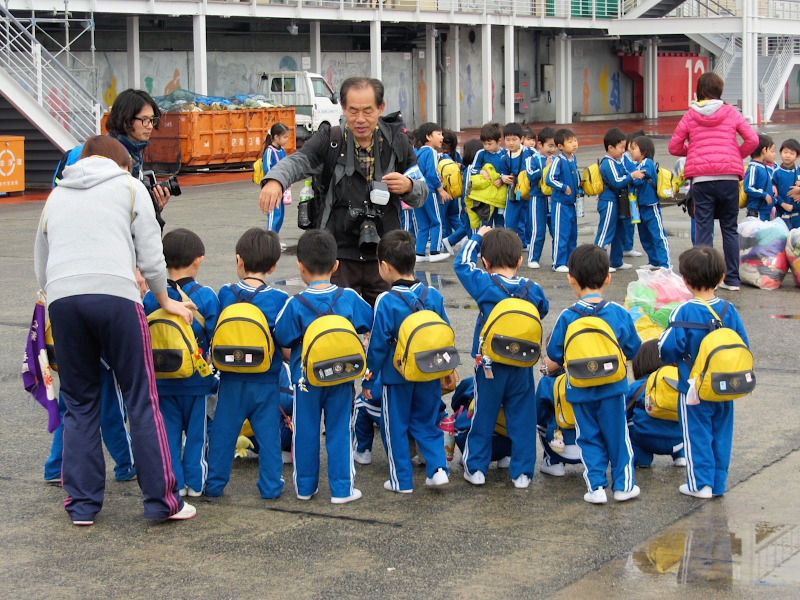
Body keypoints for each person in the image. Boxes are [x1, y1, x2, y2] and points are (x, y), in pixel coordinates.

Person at [34, 135, 195, 524]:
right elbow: (152, 255)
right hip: (116, 296)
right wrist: (165, 298)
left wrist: (56, 295)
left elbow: (42, 258)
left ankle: (83, 505)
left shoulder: (57, 195)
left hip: (63, 298)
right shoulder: (129, 185)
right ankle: (161, 501)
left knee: (79, 402)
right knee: (141, 397)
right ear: (122, 164)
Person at [258, 77, 427, 306]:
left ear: (381, 108)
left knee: (390, 327)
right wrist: (275, 181)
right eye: (353, 110)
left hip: (387, 258)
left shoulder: (398, 142)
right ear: (343, 108)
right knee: (337, 329)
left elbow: (422, 192)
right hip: (337, 257)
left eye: (368, 111)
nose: (360, 119)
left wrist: (409, 186)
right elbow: (297, 161)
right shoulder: (331, 139)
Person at [274, 229, 373, 504]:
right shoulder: (348, 297)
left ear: (300, 267)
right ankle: (342, 489)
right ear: (336, 266)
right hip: (341, 376)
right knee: (340, 429)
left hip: (305, 379)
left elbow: (281, 335)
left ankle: (305, 488)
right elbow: (368, 319)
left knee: (305, 431)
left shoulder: (295, 303)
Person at [545, 244, 642, 504]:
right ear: (608, 278)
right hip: (613, 388)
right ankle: (623, 486)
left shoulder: (567, 316)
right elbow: (634, 349)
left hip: (579, 389)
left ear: (571, 279)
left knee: (588, 437)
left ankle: (596, 487)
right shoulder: (619, 313)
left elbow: (554, 353)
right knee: (618, 438)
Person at [455, 227, 549, 488]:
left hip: (489, 365)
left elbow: (460, 263)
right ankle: (522, 473)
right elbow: (543, 310)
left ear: (485, 262)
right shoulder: (533, 289)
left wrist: (476, 237)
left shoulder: (484, 284)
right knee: (522, 417)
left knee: (484, 414)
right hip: (521, 364)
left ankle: (476, 468)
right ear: (519, 261)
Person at [362, 230, 451, 493]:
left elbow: (377, 344)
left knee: (395, 428)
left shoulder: (386, 300)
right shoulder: (432, 294)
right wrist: (447, 368)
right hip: (430, 370)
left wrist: (369, 377)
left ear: (385, 267)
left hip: (396, 376)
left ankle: (401, 480)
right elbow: (443, 332)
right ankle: (437, 470)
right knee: (427, 421)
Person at [658, 246, 749, 498]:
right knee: (722, 434)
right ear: (721, 278)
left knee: (696, 436)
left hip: (693, 389)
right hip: (725, 385)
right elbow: (744, 345)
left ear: (685, 281)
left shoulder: (684, 311)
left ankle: (700, 485)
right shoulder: (728, 310)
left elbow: (667, 348)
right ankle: (718, 484)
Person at [205, 228, 290, 499]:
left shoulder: (226, 293)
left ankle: (215, 484)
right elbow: (284, 342)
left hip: (230, 378)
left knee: (222, 433)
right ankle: (270, 487)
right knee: (268, 438)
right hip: (266, 382)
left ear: (238, 261)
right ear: (274, 266)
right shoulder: (279, 299)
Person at [143, 229, 220, 497]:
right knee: (197, 435)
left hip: (162, 379)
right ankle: (196, 484)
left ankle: (174, 484)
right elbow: (213, 335)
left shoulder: (153, 296)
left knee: (170, 437)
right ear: (198, 260)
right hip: (196, 381)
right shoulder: (206, 296)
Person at [668, 72, 759, 292]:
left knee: (703, 228)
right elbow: (753, 139)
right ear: (720, 91)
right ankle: (733, 280)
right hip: (728, 178)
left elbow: (674, 146)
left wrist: (692, 151)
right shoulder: (731, 112)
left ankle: (705, 281)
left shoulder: (690, 115)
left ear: (698, 91)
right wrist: (735, 154)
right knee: (729, 227)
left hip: (702, 180)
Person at [54, 88, 170, 223]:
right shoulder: (113, 155)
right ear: (125, 119)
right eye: (144, 120)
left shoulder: (130, 150)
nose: (150, 126)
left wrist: (153, 207)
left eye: (152, 119)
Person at [626, 340, 685, 468]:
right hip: (679, 440)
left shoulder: (637, 386)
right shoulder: (680, 383)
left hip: (645, 439)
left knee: (630, 422)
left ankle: (642, 459)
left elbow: (622, 414)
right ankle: (681, 455)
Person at [594, 128, 644, 273]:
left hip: (618, 201)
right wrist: (632, 175)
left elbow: (624, 175)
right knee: (605, 232)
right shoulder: (608, 163)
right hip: (608, 201)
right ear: (610, 148)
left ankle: (616, 261)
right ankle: (598, 264)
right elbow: (617, 182)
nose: (624, 150)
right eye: (621, 147)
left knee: (619, 232)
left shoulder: (618, 161)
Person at [630, 135, 672, 269]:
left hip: (650, 205)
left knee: (658, 235)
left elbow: (639, 178)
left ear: (643, 150)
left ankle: (665, 263)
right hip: (640, 206)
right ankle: (654, 260)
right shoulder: (637, 165)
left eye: (634, 148)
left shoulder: (647, 163)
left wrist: (631, 178)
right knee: (645, 235)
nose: (631, 151)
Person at [412, 122, 451, 262]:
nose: (442, 137)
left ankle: (420, 253)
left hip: (417, 191)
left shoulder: (418, 152)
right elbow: (431, 173)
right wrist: (440, 189)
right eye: (439, 134)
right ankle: (435, 251)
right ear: (428, 136)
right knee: (437, 221)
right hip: (429, 190)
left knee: (423, 225)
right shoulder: (432, 152)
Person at [546, 128, 580, 273]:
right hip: (560, 204)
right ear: (560, 146)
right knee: (562, 234)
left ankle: (570, 261)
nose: (574, 144)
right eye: (570, 142)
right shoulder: (558, 160)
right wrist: (563, 186)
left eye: (575, 141)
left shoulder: (573, 159)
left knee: (573, 234)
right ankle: (558, 262)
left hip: (571, 203)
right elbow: (550, 179)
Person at [525, 127, 557, 269]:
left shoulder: (556, 159)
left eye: (555, 146)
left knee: (555, 230)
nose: (553, 149)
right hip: (537, 198)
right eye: (550, 145)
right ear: (540, 145)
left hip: (553, 198)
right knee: (537, 230)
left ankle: (557, 259)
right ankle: (533, 257)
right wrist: (545, 168)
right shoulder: (532, 159)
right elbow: (531, 176)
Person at [469, 122, 510, 227]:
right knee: (486, 222)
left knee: (500, 221)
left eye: (489, 144)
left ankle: (499, 242)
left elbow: (509, 172)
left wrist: (501, 180)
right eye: (484, 143)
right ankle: (485, 242)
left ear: (499, 141)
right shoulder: (481, 153)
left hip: (500, 194)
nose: (486, 146)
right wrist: (481, 171)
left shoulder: (505, 154)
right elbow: (472, 170)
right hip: (485, 196)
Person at [502, 123, 531, 249]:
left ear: (522, 139)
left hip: (529, 192)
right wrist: (502, 177)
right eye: (508, 140)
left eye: (514, 139)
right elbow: (501, 172)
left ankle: (526, 242)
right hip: (515, 192)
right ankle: (510, 244)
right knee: (511, 219)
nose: (511, 143)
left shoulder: (530, 153)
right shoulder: (505, 157)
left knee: (528, 218)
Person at [261, 122, 292, 236]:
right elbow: (267, 168)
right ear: (276, 137)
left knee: (280, 214)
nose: (286, 139)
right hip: (273, 188)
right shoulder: (269, 151)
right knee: (273, 213)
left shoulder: (282, 150)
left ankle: (275, 237)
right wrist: (273, 182)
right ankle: (270, 239)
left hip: (282, 188)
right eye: (284, 137)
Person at [743, 134, 776, 221]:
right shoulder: (754, 167)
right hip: (756, 211)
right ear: (764, 150)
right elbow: (748, 187)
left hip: (765, 210)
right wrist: (763, 194)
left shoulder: (763, 166)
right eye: (770, 150)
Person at [774, 138, 800, 229]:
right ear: (780, 153)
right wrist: (783, 204)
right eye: (785, 152)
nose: (788, 155)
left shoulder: (799, 171)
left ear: (797, 156)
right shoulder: (776, 172)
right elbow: (773, 193)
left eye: (791, 153)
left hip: (798, 214)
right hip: (781, 213)